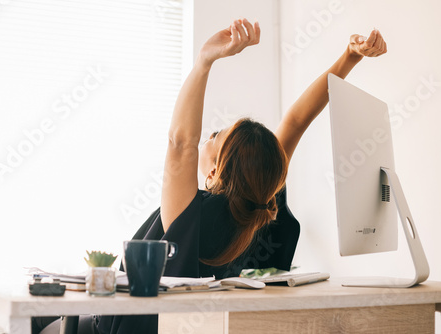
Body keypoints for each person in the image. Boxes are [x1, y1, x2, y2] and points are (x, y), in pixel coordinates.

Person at [33, 18, 387, 334]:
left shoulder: (194, 216)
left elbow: (180, 143)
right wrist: (349, 58)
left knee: (30, 322)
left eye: (215, 135)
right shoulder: (259, 206)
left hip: (116, 328)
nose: (207, 136)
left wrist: (205, 61)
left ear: (216, 170)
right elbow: (296, 122)